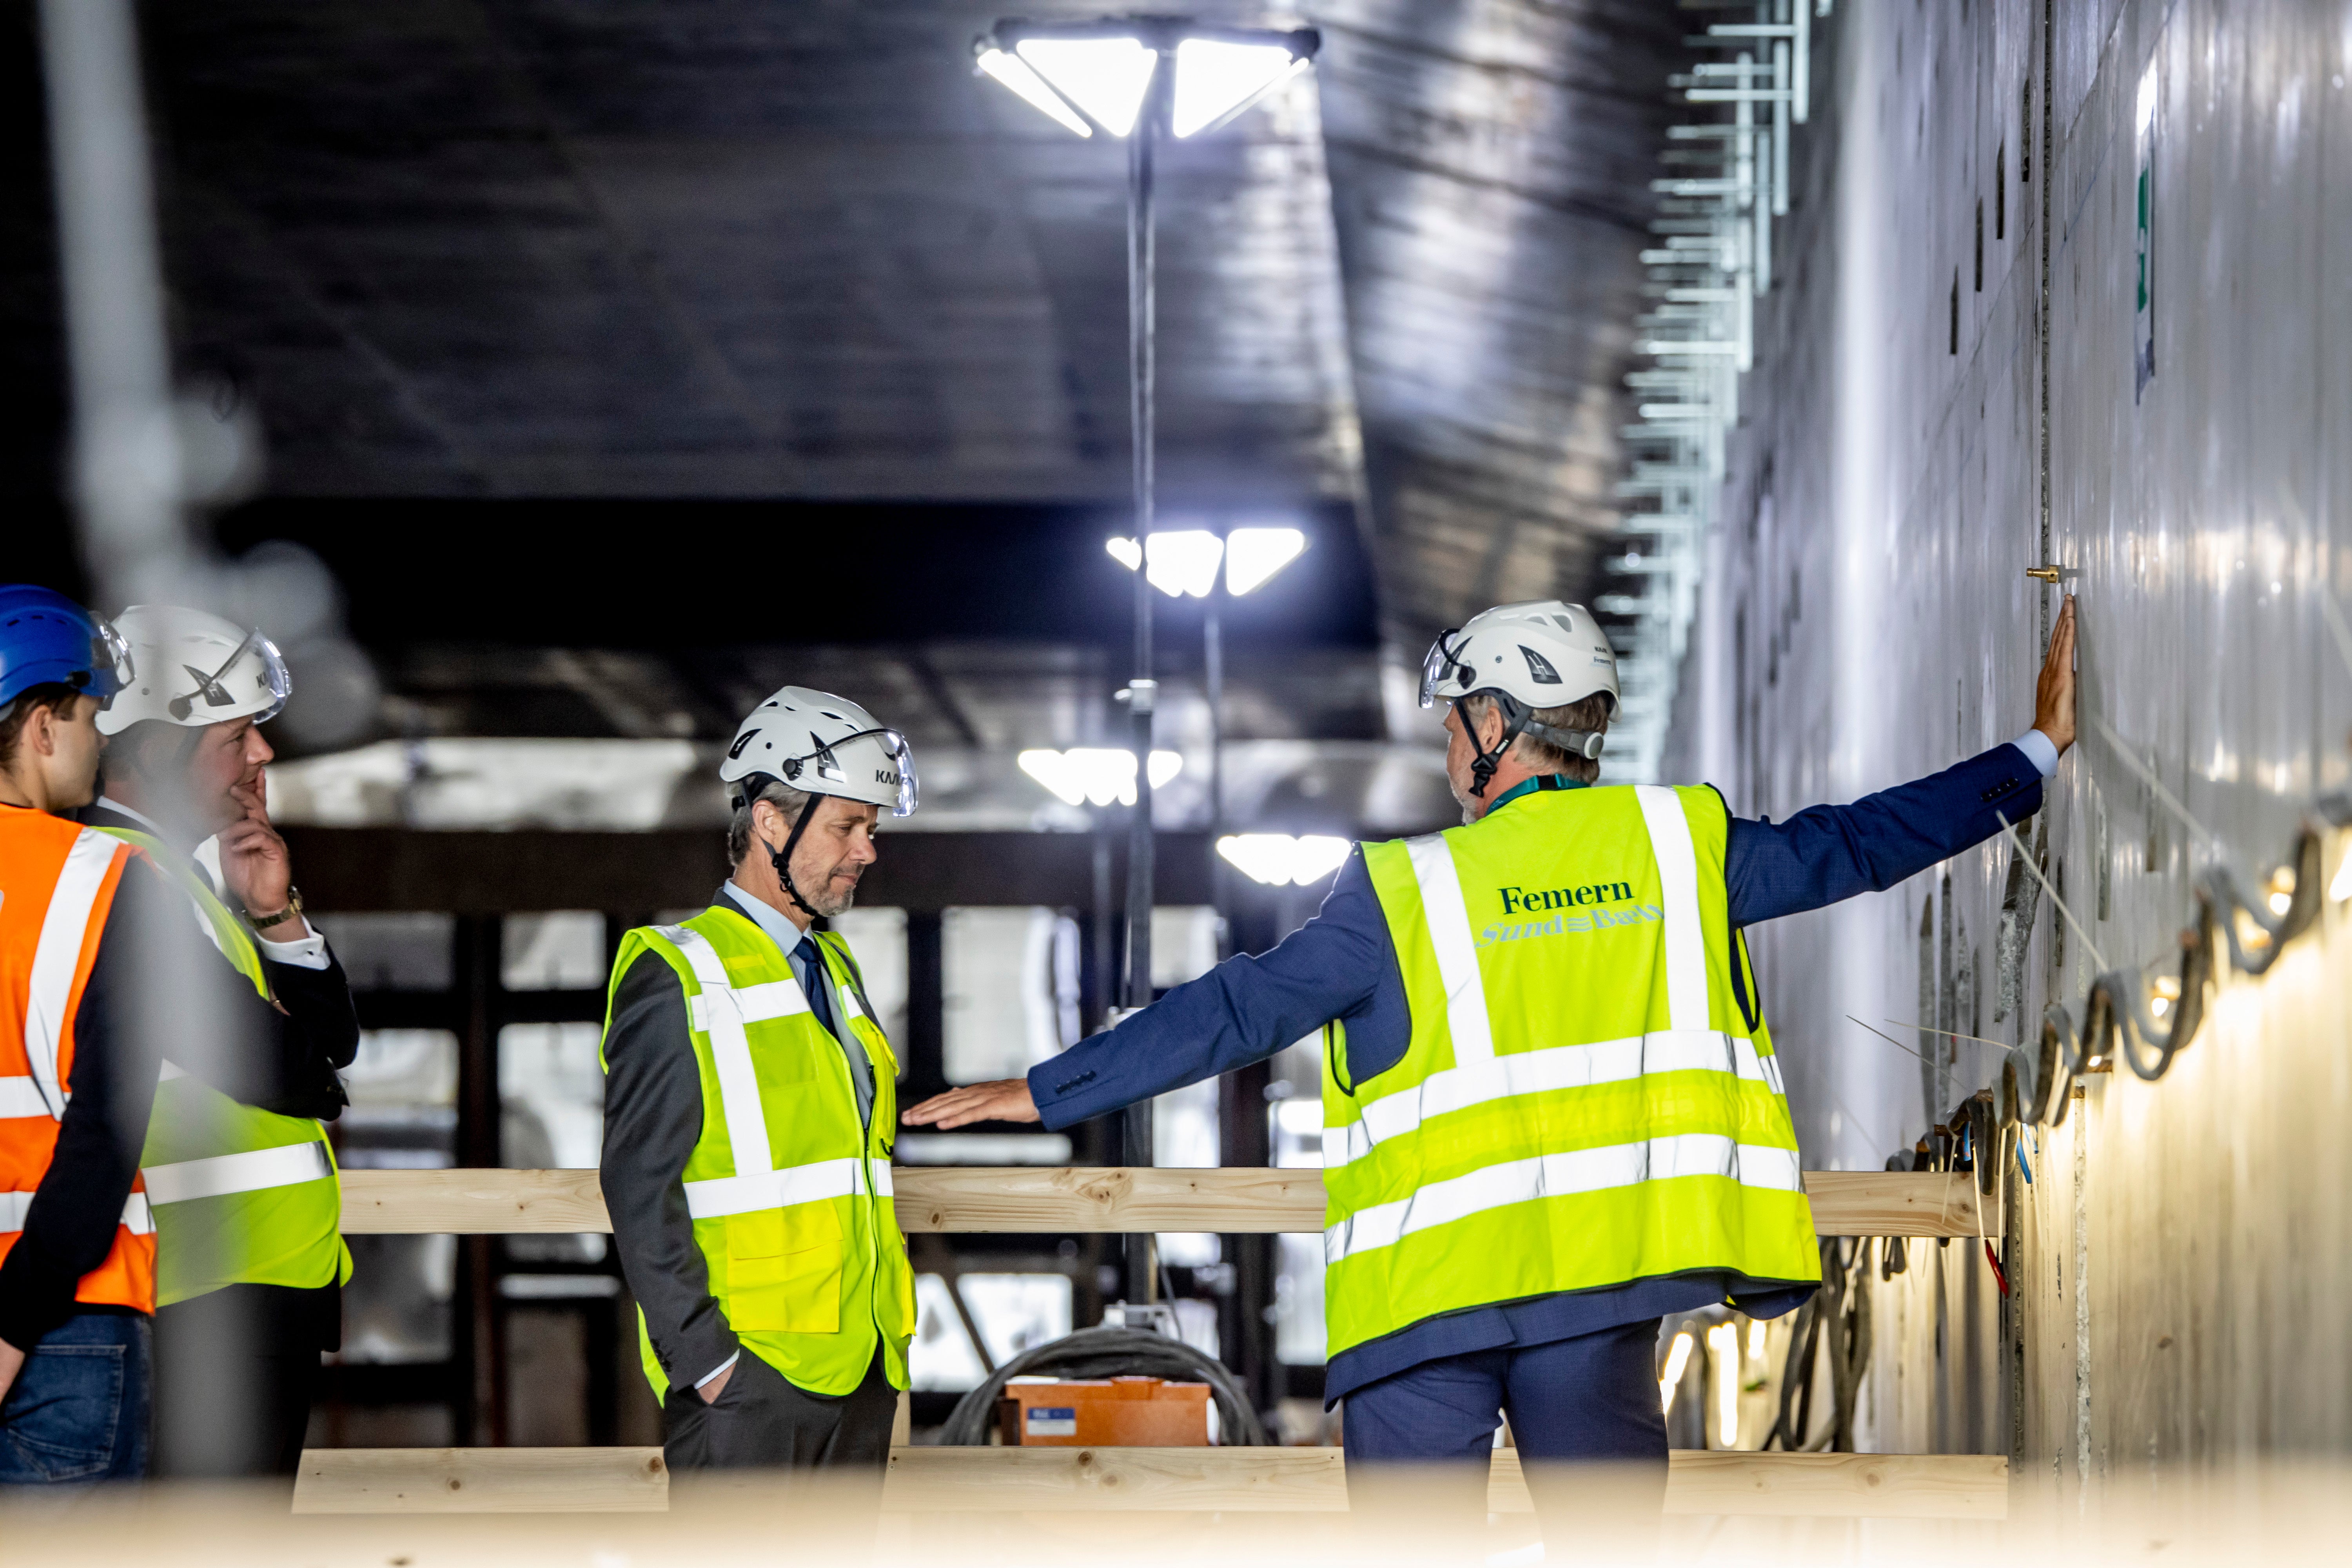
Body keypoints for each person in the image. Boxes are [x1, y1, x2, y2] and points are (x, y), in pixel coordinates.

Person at [906, 595, 2082, 1531]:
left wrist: (1045, 1089)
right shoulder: (1680, 847)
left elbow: (1234, 1012)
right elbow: (1858, 845)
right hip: (1597, 1290)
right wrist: (2028, 757)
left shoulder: (1401, 892)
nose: (1446, 743)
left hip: (1428, 1312)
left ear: (1498, 726)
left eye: (1454, 717)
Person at [599, 688, 920, 1477]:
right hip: (751, 1377)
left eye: (870, 829)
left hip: (863, 1366)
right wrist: (708, 1360)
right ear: (770, 820)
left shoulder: (834, 966)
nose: (866, 850)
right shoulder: (678, 968)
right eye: (847, 825)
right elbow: (640, 1182)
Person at [78, 605, 358, 1481]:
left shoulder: (180, 873)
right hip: (206, 1295)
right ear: (159, 748)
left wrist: (275, 912)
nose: (263, 757)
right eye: (237, 736)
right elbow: (294, 1073)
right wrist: (299, 1059)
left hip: (242, 1287)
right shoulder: (123, 875)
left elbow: (330, 1046)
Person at [0, 586, 151, 1483]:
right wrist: (14, 1323)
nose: (101, 740)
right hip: (67, 1325)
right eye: (92, 713)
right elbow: (104, 1131)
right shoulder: (108, 878)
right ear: (43, 725)